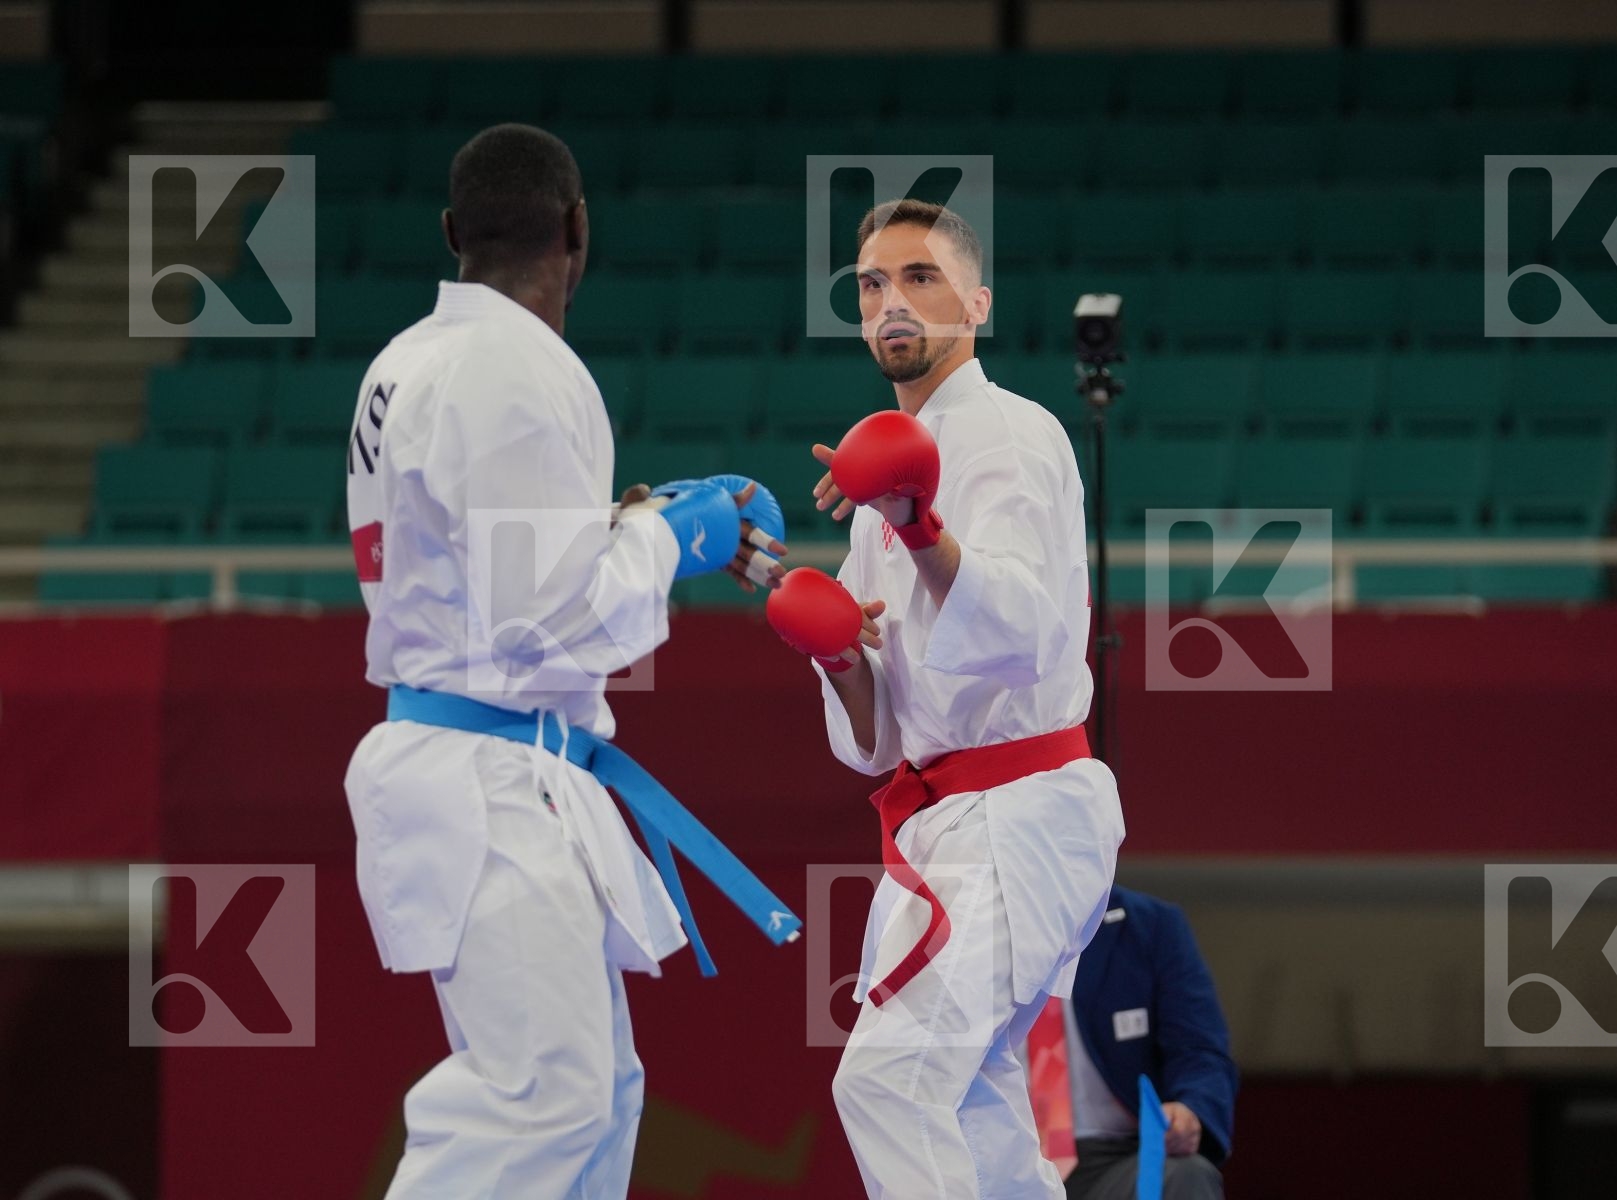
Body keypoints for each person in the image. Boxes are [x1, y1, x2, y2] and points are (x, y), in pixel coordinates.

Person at [341, 123, 793, 1199]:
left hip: (475, 752)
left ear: (454, 234)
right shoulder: (513, 370)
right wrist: (675, 540)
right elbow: (536, 617)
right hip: (489, 772)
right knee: (541, 1103)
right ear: (578, 230)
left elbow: (497, 558)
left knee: (597, 1097)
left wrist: (639, 520)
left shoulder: (410, 360)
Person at [769, 198, 1125, 1198]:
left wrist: (923, 526)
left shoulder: (1012, 435)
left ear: (976, 300)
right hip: (942, 823)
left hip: (1018, 811)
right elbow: (880, 741)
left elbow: (1021, 636)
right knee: (974, 1106)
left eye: (919, 278)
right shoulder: (882, 474)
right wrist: (838, 655)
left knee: (890, 1085)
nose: (891, 302)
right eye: (873, 285)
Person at [1037, 885, 1237, 1200]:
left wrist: (1188, 1110)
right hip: (992, 1150)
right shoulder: (967, 925)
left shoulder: (1150, 925)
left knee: (1186, 1176)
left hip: (1118, 1156)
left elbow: (1198, 1051)